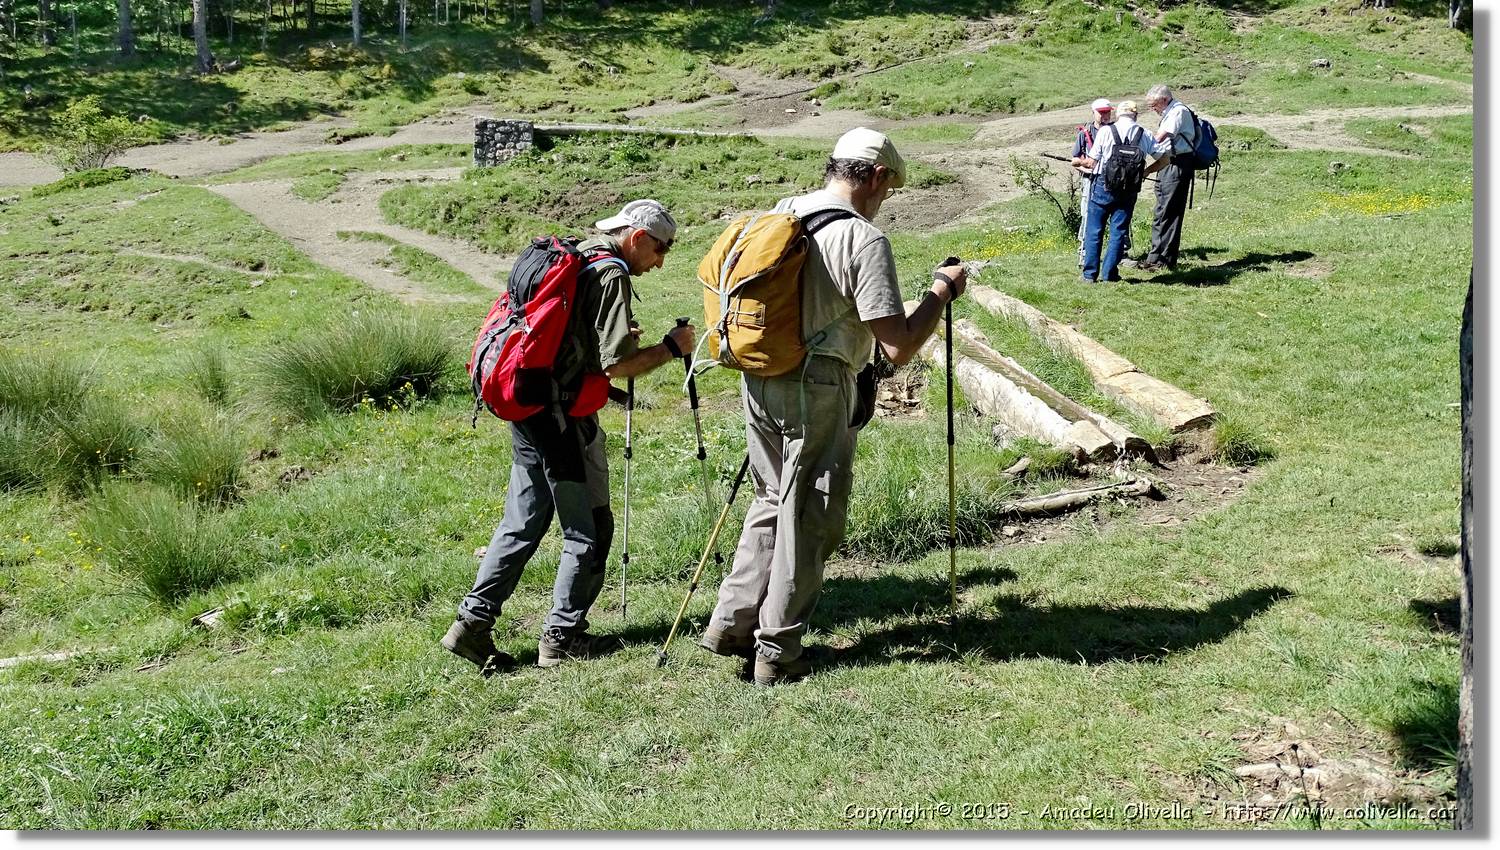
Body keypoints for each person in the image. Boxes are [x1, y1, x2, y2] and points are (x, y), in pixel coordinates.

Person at [700, 128, 968, 686]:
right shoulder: (860, 239)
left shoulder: (779, 215)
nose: (884, 199)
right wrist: (940, 292)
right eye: (887, 187)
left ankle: (732, 624)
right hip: (817, 385)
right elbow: (897, 345)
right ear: (872, 176)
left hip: (757, 374)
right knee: (809, 512)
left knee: (772, 497)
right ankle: (778, 650)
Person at [442, 199, 697, 674]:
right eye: (662, 249)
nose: (660, 262)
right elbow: (618, 364)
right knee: (589, 530)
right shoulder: (612, 272)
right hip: (562, 421)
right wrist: (669, 348)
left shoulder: (579, 253)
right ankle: (562, 638)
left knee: (522, 524)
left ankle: (470, 625)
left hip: (528, 405)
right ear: (637, 237)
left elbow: (579, 338)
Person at [1072, 100, 1169, 281]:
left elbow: (1092, 162)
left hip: (1103, 185)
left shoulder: (1105, 131)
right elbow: (1165, 159)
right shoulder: (1144, 134)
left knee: (1094, 230)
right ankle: (1110, 274)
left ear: (1117, 115)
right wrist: (1146, 172)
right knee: (1118, 231)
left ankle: (1089, 275)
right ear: (1136, 115)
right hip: (1129, 189)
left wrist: (1078, 162)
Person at [1138, 84, 1199, 272]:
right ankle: (1155, 256)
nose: (1152, 109)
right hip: (1168, 163)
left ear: (1164, 99)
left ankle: (1166, 260)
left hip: (1178, 164)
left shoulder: (1177, 112)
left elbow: (1160, 138)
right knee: (1161, 210)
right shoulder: (1170, 111)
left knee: (1170, 212)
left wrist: (1135, 139)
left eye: (1154, 105)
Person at [1071, 98, 1117, 267]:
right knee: (1087, 216)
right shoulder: (1085, 133)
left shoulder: (1115, 130)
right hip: (1090, 180)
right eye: (1102, 112)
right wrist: (1088, 167)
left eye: (1108, 112)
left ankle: (1120, 253)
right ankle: (1084, 254)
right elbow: (1075, 160)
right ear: (1094, 113)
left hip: (1113, 179)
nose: (1105, 115)